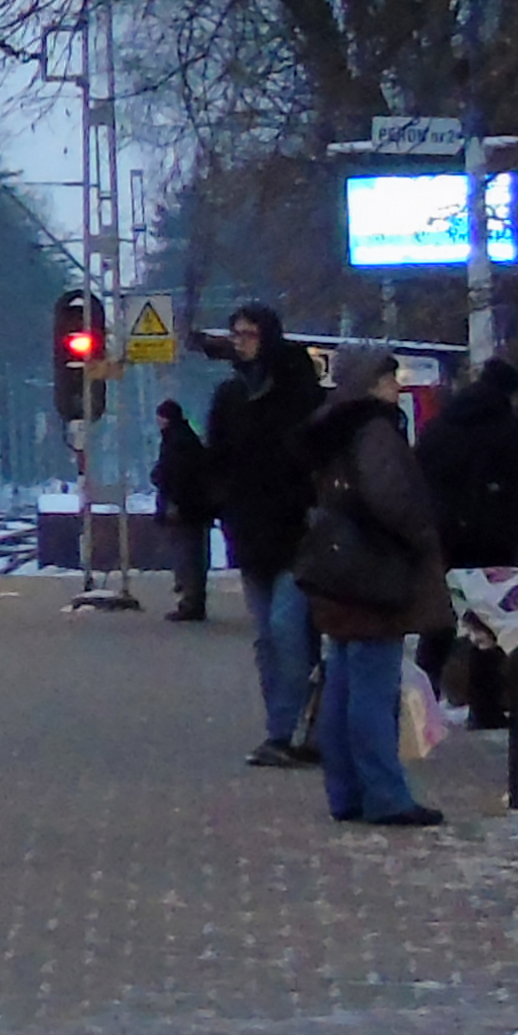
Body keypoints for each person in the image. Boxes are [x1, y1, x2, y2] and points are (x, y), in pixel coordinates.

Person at [294, 346, 454, 827]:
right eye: (388, 378)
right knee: (372, 689)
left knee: (342, 682)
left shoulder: (331, 427)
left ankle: (346, 791)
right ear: (370, 383)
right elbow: (392, 498)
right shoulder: (376, 429)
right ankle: (385, 795)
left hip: (340, 571)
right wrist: (421, 533)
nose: (396, 386)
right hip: (376, 574)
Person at [206, 302, 326, 765]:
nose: (240, 342)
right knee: (266, 636)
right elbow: (217, 457)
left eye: (249, 334)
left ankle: (295, 729)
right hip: (251, 533)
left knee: (287, 629)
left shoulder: (297, 392)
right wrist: (222, 502)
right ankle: (282, 730)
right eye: (235, 333)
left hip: (298, 532)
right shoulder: (230, 397)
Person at [419, 355, 518, 570]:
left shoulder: (437, 427)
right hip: (496, 543)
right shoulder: (513, 432)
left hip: (441, 536)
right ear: (511, 394)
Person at [148, 399, 217, 620]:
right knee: (192, 555)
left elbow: (175, 475)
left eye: (160, 417)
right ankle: (191, 599)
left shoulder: (177, 441)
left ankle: (191, 602)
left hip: (186, 509)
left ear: (166, 418)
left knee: (188, 555)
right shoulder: (184, 437)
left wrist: (170, 496)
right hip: (194, 508)